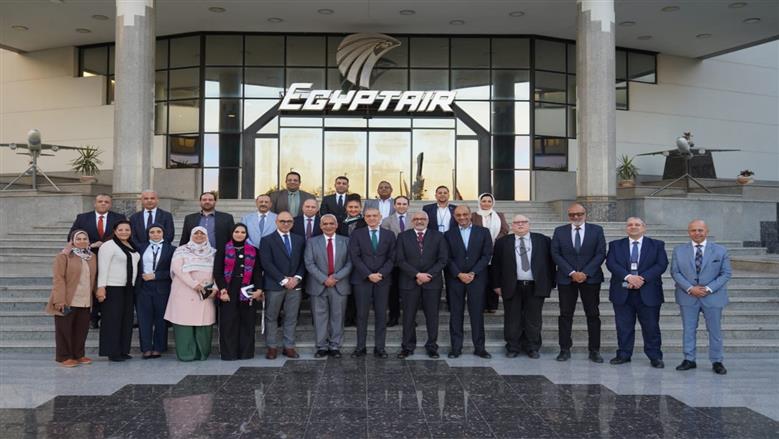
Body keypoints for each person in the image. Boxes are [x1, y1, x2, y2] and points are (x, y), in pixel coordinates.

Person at [671, 219, 732, 375]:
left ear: (707, 231)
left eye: (700, 230)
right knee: (689, 329)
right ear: (689, 232)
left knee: (715, 330)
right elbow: (675, 272)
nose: (697, 233)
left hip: (713, 296)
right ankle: (689, 359)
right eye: (693, 230)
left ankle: (717, 361)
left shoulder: (720, 251)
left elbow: (726, 273)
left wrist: (708, 289)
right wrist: (690, 288)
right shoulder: (679, 250)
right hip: (688, 296)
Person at [606, 217, 668, 368]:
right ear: (626, 228)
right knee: (623, 327)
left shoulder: (657, 245)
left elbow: (661, 264)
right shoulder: (615, 245)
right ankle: (624, 354)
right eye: (630, 225)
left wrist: (642, 278)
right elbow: (611, 263)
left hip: (649, 292)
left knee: (651, 327)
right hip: (623, 292)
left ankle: (655, 356)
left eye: (637, 225)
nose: (633, 227)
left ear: (644, 228)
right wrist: (629, 277)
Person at [492, 215, 555, 358]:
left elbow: (550, 263)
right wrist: (496, 285)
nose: (520, 225)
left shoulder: (543, 240)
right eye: (516, 223)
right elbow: (496, 265)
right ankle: (513, 347)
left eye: (523, 222)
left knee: (533, 318)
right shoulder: (502, 242)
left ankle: (532, 347)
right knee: (512, 318)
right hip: (511, 285)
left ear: (529, 224)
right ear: (512, 226)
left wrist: (551, 283)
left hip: (535, 285)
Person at [551, 203, 607, 363]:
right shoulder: (559, 231)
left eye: (579, 214)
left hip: (591, 279)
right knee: (565, 315)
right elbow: (555, 253)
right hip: (566, 279)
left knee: (593, 315)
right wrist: (572, 272)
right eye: (572, 214)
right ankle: (564, 349)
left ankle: (594, 350)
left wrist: (585, 273)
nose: (575, 217)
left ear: (585, 214)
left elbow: (600, 253)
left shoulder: (597, 230)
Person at [395, 211, 448, 359]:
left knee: (432, 316)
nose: (419, 221)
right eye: (416, 219)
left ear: (428, 220)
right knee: (408, 316)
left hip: (432, 282)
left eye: (423, 219)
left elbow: (443, 259)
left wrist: (428, 275)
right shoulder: (403, 236)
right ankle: (407, 347)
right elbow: (400, 260)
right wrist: (417, 275)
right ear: (412, 221)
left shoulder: (438, 236)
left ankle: (432, 346)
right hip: (409, 282)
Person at [68, 193, 126, 329]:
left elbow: (124, 236)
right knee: (92, 285)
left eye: (106, 202)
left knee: (107, 287)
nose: (103, 203)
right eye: (100, 201)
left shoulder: (119, 218)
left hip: (112, 259)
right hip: (88, 258)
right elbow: (71, 237)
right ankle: (93, 317)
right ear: (95, 203)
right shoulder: (82, 218)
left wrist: (106, 245)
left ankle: (106, 316)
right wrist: (90, 244)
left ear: (110, 204)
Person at [444, 205, 493, 359]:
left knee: (477, 314)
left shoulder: (483, 232)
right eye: (458, 215)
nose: (462, 217)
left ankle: (480, 348)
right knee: (456, 314)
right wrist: (458, 274)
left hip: (476, 278)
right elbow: (446, 257)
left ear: (470, 215)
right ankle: (456, 348)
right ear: (454, 217)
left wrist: (472, 273)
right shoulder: (448, 234)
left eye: (465, 214)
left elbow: (486, 255)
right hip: (455, 279)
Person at [164, 226, 217, 362]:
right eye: (196, 233)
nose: (199, 236)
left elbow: (218, 272)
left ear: (207, 236)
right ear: (191, 235)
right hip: (184, 291)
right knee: (184, 324)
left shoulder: (213, 252)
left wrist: (215, 288)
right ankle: (186, 354)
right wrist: (194, 284)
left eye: (202, 233)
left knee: (204, 323)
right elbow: (178, 270)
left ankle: (201, 354)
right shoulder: (181, 250)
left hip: (205, 293)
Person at [349, 207, 396, 358]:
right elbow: (355, 257)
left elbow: (392, 257)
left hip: (382, 280)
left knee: (381, 315)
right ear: (364, 218)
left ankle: (380, 348)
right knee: (361, 315)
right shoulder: (357, 234)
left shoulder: (389, 235)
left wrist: (381, 274)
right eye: (368, 216)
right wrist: (368, 274)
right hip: (362, 279)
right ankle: (360, 347)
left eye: (375, 216)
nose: (372, 218)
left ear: (380, 217)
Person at [46, 230, 97, 367]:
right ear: (72, 241)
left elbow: (93, 277)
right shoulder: (64, 256)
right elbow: (58, 279)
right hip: (67, 299)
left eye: (84, 238)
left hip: (85, 299)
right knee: (64, 330)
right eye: (78, 239)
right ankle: (64, 356)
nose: (82, 241)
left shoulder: (92, 256)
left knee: (81, 330)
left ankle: (78, 355)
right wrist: (59, 299)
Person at [304, 214, 353, 358]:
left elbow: (350, 263)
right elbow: (309, 263)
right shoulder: (312, 242)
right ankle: (321, 346)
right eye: (325, 224)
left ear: (336, 225)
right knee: (320, 317)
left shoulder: (346, 241)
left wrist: (335, 277)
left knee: (338, 316)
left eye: (332, 223)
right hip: (318, 285)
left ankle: (335, 346)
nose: (328, 226)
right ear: (320, 226)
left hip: (339, 285)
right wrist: (324, 279)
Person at [214, 223, 264, 361]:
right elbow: (217, 272)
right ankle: (229, 354)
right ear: (232, 233)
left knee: (247, 322)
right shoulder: (223, 249)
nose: (239, 234)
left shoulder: (254, 250)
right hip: (228, 289)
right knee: (229, 322)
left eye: (243, 232)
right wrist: (223, 290)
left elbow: (257, 272)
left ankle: (246, 353)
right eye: (237, 231)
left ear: (246, 234)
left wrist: (259, 289)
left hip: (247, 289)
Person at [260, 212, 306, 359]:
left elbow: (303, 261)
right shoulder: (267, 240)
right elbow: (266, 263)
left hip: (295, 285)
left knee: (291, 317)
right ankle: (272, 347)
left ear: (293, 223)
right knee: (271, 317)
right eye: (282, 221)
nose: (286, 224)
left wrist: (297, 278)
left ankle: (289, 347)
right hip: (275, 285)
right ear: (276, 222)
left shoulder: (299, 239)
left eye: (289, 221)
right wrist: (284, 280)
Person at [96, 220, 139, 362]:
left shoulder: (132, 245)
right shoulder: (108, 246)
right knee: (112, 320)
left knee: (126, 320)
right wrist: (101, 287)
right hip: (112, 287)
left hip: (128, 288)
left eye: (127, 229)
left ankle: (123, 350)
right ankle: (112, 352)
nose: (124, 232)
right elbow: (103, 267)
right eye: (120, 230)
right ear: (114, 231)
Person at [135, 224, 175, 359]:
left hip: (162, 288)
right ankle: (146, 348)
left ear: (163, 233)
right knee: (144, 319)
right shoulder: (140, 248)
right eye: (152, 232)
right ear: (148, 234)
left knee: (161, 319)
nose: (155, 234)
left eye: (158, 231)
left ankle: (159, 347)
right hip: (143, 288)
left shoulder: (171, 249)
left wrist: (156, 275)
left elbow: (174, 270)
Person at [472, 192, 509, 313]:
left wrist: (495, 241)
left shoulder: (499, 215)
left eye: (489, 201)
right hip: (479, 252)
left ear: (493, 203)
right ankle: (482, 305)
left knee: (494, 277)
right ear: (479, 202)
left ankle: (492, 305)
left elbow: (505, 229)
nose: (486, 203)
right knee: (481, 279)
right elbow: (472, 231)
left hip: (495, 251)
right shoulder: (474, 216)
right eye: (484, 201)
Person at [380, 195, 410, 327]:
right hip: (393, 261)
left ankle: (410, 318)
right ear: (394, 205)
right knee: (393, 291)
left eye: (404, 204)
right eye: (399, 204)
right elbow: (386, 241)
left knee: (409, 292)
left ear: (408, 206)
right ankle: (394, 316)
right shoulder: (387, 221)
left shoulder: (413, 219)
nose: (401, 206)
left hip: (410, 261)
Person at [337, 195, 366, 327]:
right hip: (342, 260)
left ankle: (356, 318)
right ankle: (346, 317)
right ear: (346, 208)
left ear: (360, 208)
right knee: (345, 290)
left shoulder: (365, 222)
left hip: (360, 261)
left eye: (356, 207)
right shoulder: (340, 222)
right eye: (350, 207)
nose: (353, 209)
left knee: (357, 292)